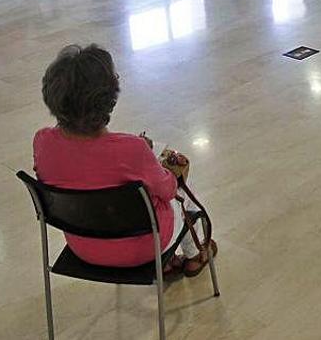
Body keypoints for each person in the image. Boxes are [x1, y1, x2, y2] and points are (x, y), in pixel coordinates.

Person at [33, 44, 216, 276]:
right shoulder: (133, 150)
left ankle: (170, 262)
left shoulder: (42, 142)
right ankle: (194, 256)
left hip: (83, 245)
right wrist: (157, 163)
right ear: (109, 98)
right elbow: (168, 190)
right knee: (183, 196)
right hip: (144, 248)